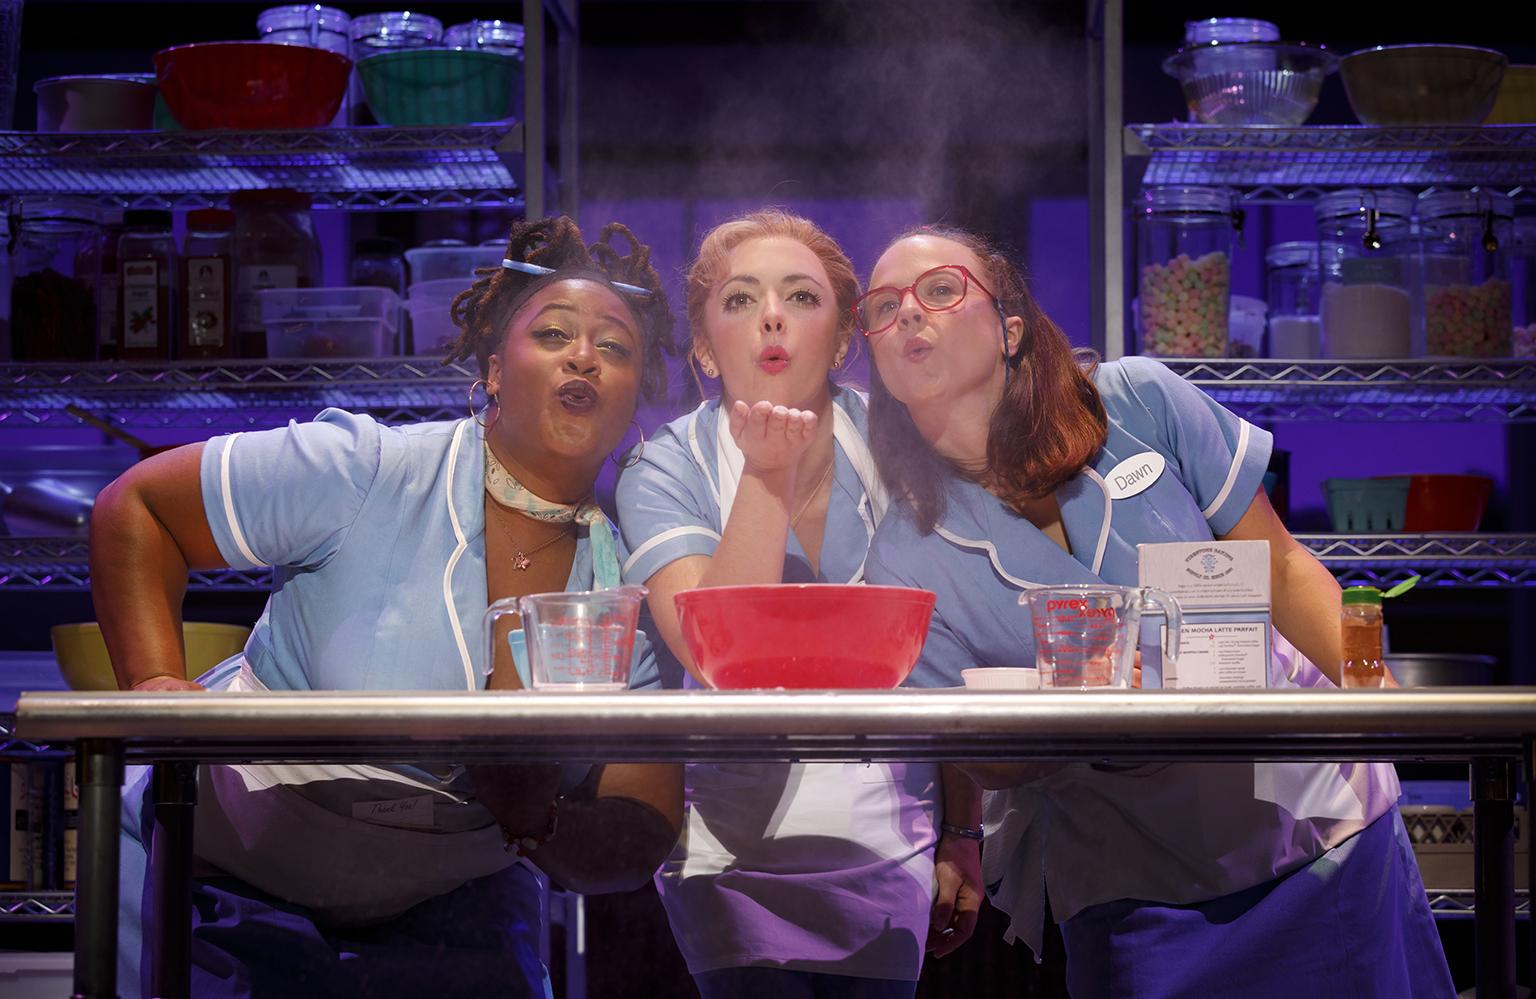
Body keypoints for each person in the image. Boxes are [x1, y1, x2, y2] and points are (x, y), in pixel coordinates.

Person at [89, 216, 684, 999]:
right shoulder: (369, 469)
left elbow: (640, 828)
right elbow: (138, 509)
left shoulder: (625, 590)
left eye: (615, 347)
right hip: (226, 890)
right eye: (553, 334)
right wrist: (157, 686)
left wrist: (538, 820)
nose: (584, 356)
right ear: (494, 369)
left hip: (447, 914)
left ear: (635, 395)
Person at [859, 225, 1456, 998]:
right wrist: (1080, 703)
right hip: (1137, 881)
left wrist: (1376, 696)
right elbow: (988, 757)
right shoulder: (902, 556)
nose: (908, 314)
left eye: (939, 290)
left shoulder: (1137, 401)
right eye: (881, 308)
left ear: (1011, 328)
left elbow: (1282, 566)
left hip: (1319, 829)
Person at [614, 209, 983, 999]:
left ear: (844, 340)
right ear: (706, 351)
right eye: (741, 300)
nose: (773, 315)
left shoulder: (905, 446)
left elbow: (954, 647)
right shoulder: (664, 467)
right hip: (732, 851)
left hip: (891, 840)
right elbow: (713, 654)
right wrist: (765, 475)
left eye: (801, 298)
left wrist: (963, 826)